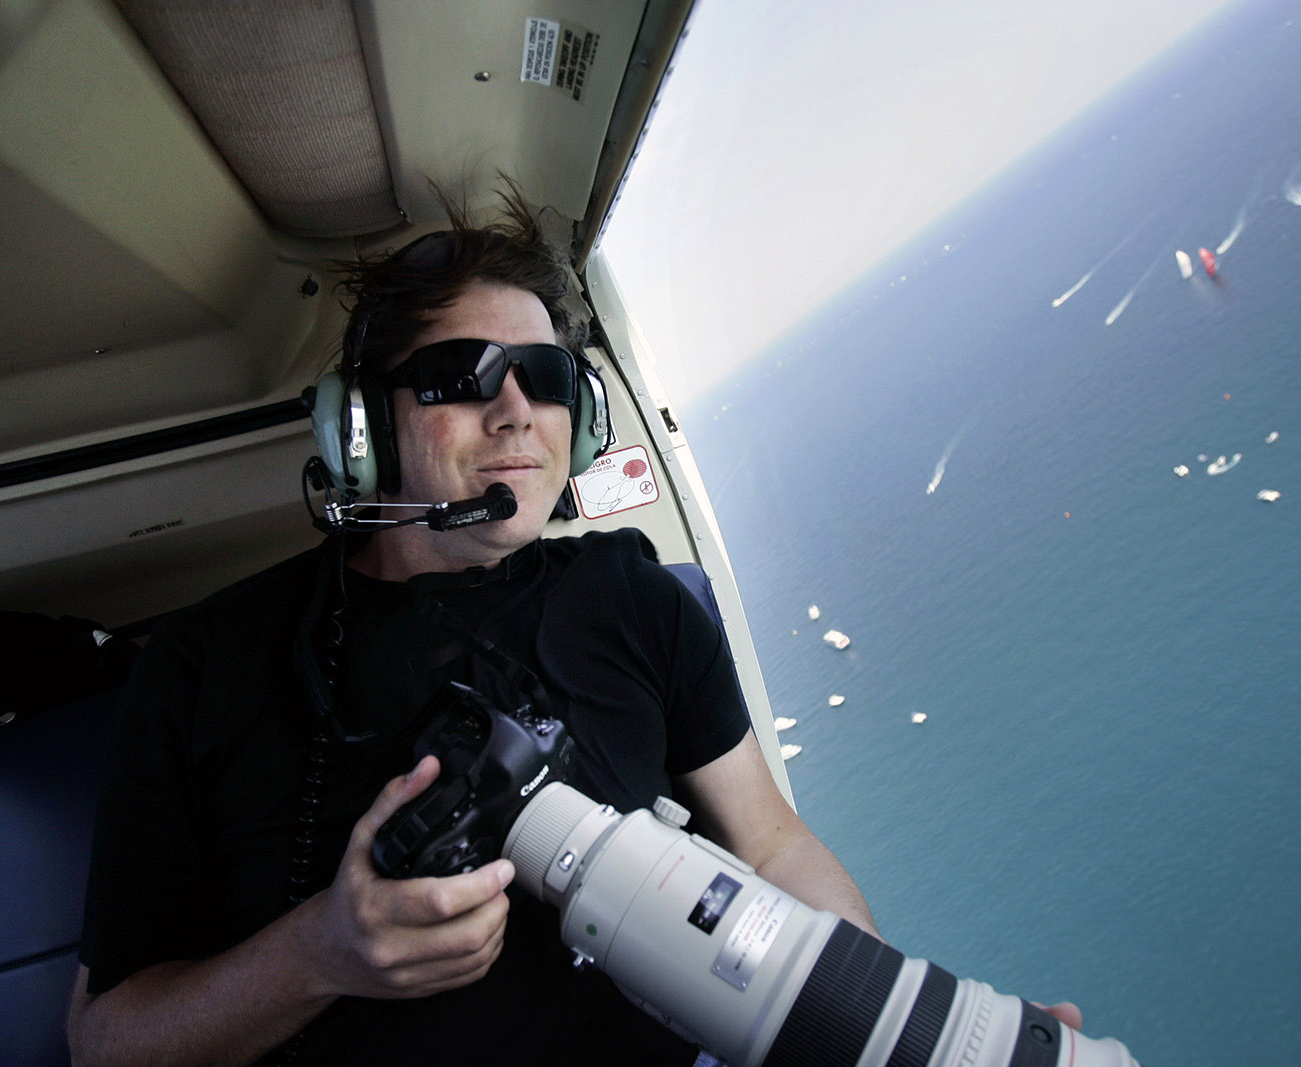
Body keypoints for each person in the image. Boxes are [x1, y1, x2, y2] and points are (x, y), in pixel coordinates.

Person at [66, 189, 885, 1066]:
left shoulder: (637, 598)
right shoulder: (202, 666)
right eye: (465, 375)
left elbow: (770, 841)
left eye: (548, 377)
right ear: (363, 429)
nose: (517, 412)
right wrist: (321, 952)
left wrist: (884, 1026)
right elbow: (105, 1041)